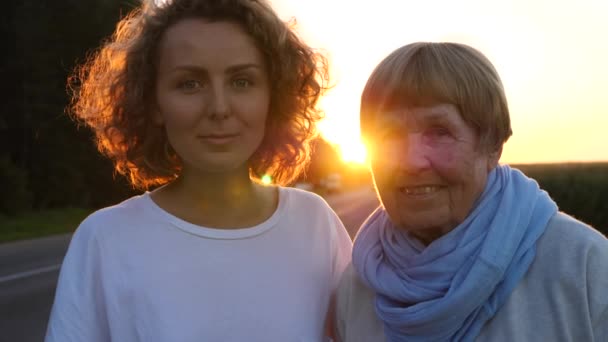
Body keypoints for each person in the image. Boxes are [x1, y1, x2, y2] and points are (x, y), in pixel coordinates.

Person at [45, 0, 352, 341]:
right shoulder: (105, 240)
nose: (219, 108)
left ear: (273, 97)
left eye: (242, 81)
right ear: (154, 103)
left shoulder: (316, 225)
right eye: (190, 83)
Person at [335, 42, 608, 341]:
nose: (412, 161)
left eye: (440, 132)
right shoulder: (358, 284)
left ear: (493, 145)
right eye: (388, 135)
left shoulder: (584, 266)